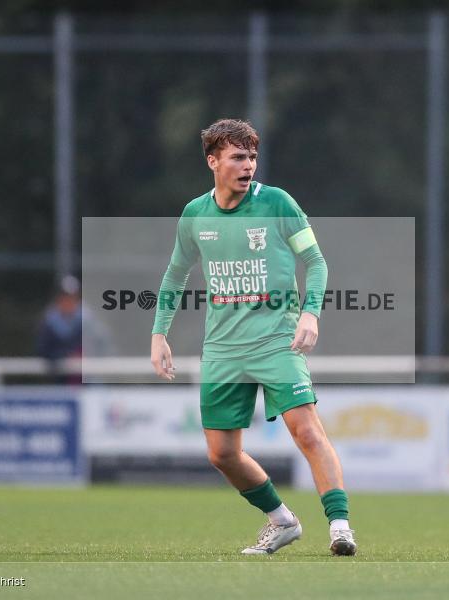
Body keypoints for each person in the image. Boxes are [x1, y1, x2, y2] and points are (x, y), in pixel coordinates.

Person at [150, 119, 355, 556]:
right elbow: (174, 275)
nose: (248, 166)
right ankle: (282, 522)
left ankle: (340, 527)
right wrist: (158, 334)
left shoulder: (277, 203)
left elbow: (316, 262)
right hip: (223, 348)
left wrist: (310, 314)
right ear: (213, 161)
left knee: (306, 431)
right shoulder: (194, 215)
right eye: (238, 157)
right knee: (222, 454)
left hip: (276, 339)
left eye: (252, 157)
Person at [36, 275, 114, 371]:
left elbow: (102, 346)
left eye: (72, 298)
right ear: (59, 298)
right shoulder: (50, 322)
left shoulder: (87, 320)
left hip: (88, 376)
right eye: (65, 297)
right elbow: (43, 350)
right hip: (60, 377)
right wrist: (65, 356)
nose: (68, 301)